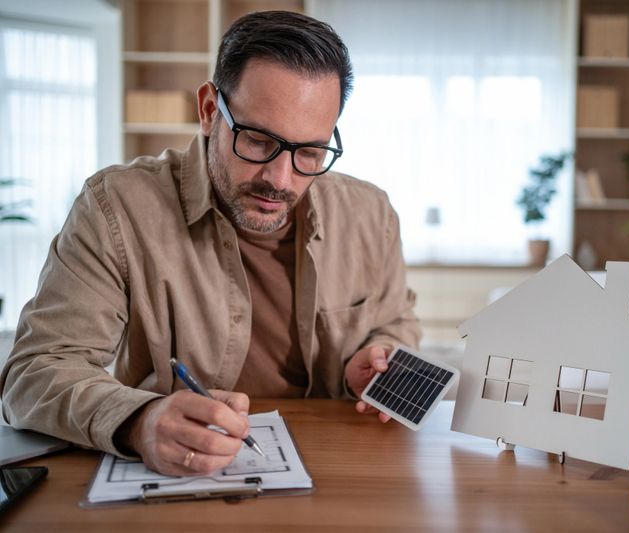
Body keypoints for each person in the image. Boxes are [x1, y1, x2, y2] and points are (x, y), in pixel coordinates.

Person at [0, 11, 420, 476]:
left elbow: (395, 325)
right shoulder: (115, 208)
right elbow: (34, 374)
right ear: (208, 110)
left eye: (309, 152)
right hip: (175, 475)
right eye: (258, 141)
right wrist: (140, 420)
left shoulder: (371, 214)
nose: (280, 180)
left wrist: (374, 364)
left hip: (338, 465)